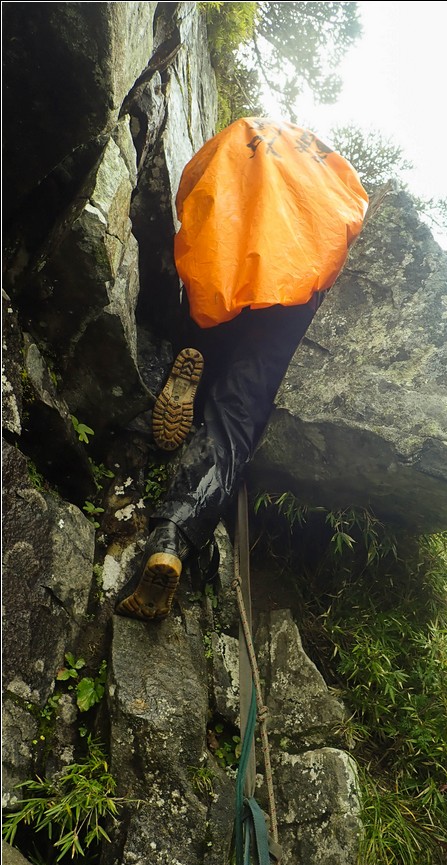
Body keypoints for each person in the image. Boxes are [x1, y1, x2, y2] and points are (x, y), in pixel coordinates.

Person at [117, 118, 368, 621]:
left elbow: (194, 188)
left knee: (204, 346)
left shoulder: (242, 131)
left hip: (227, 272)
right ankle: (170, 540)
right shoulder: (335, 171)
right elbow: (352, 228)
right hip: (291, 296)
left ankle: (187, 375)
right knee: (235, 416)